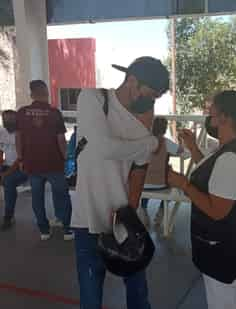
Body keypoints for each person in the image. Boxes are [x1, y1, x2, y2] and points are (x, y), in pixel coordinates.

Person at [71, 56, 169, 309]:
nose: (150, 103)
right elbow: (103, 147)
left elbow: (139, 170)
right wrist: (151, 142)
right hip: (87, 216)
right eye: (148, 95)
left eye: (155, 99)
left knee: (138, 293)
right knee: (90, 296)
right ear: (132, 80)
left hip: (123, 218)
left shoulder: (140, 122)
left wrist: (131, 211)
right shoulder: (94, 99)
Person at [168, 90, 236, 309]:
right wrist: (193, 149)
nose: (208, 117)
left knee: (224, 302)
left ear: (224, 118)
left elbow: (216, 210)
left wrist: (184, 185)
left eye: (211, 113)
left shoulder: (230, 159)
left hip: (223, 251)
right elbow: (215, 177)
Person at [16, 80, 73, 241]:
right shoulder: (54, 113)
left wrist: (20, 158)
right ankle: (67, 229)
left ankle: (44, 231)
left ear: (32, 94)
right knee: (62, 195)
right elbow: (61, 139)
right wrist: (66, 158)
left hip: (32, 164)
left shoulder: (21, 112)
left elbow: (18, 138)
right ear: (46, 92)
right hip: (53, 163)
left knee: (37, 197)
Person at [139, 117, 184, 228]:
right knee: (173, 186)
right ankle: (161, 212)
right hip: (161, 183)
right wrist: (181, 141)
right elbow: (181, 151)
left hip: (142, 183)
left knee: (146, 189)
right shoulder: (166, 143)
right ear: (164, 129)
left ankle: (143, 210)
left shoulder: (145, 141)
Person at [0, 110, 28, 230]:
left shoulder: (23, 133)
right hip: (7, 166)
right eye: (5, 119)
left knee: (8, 182)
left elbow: (21, 159)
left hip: (23, 168)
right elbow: (0, 152)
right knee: (7, 179)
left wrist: (5, 174)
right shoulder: (2, 132)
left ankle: (8, 216)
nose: (7, 122)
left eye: (10, 119)